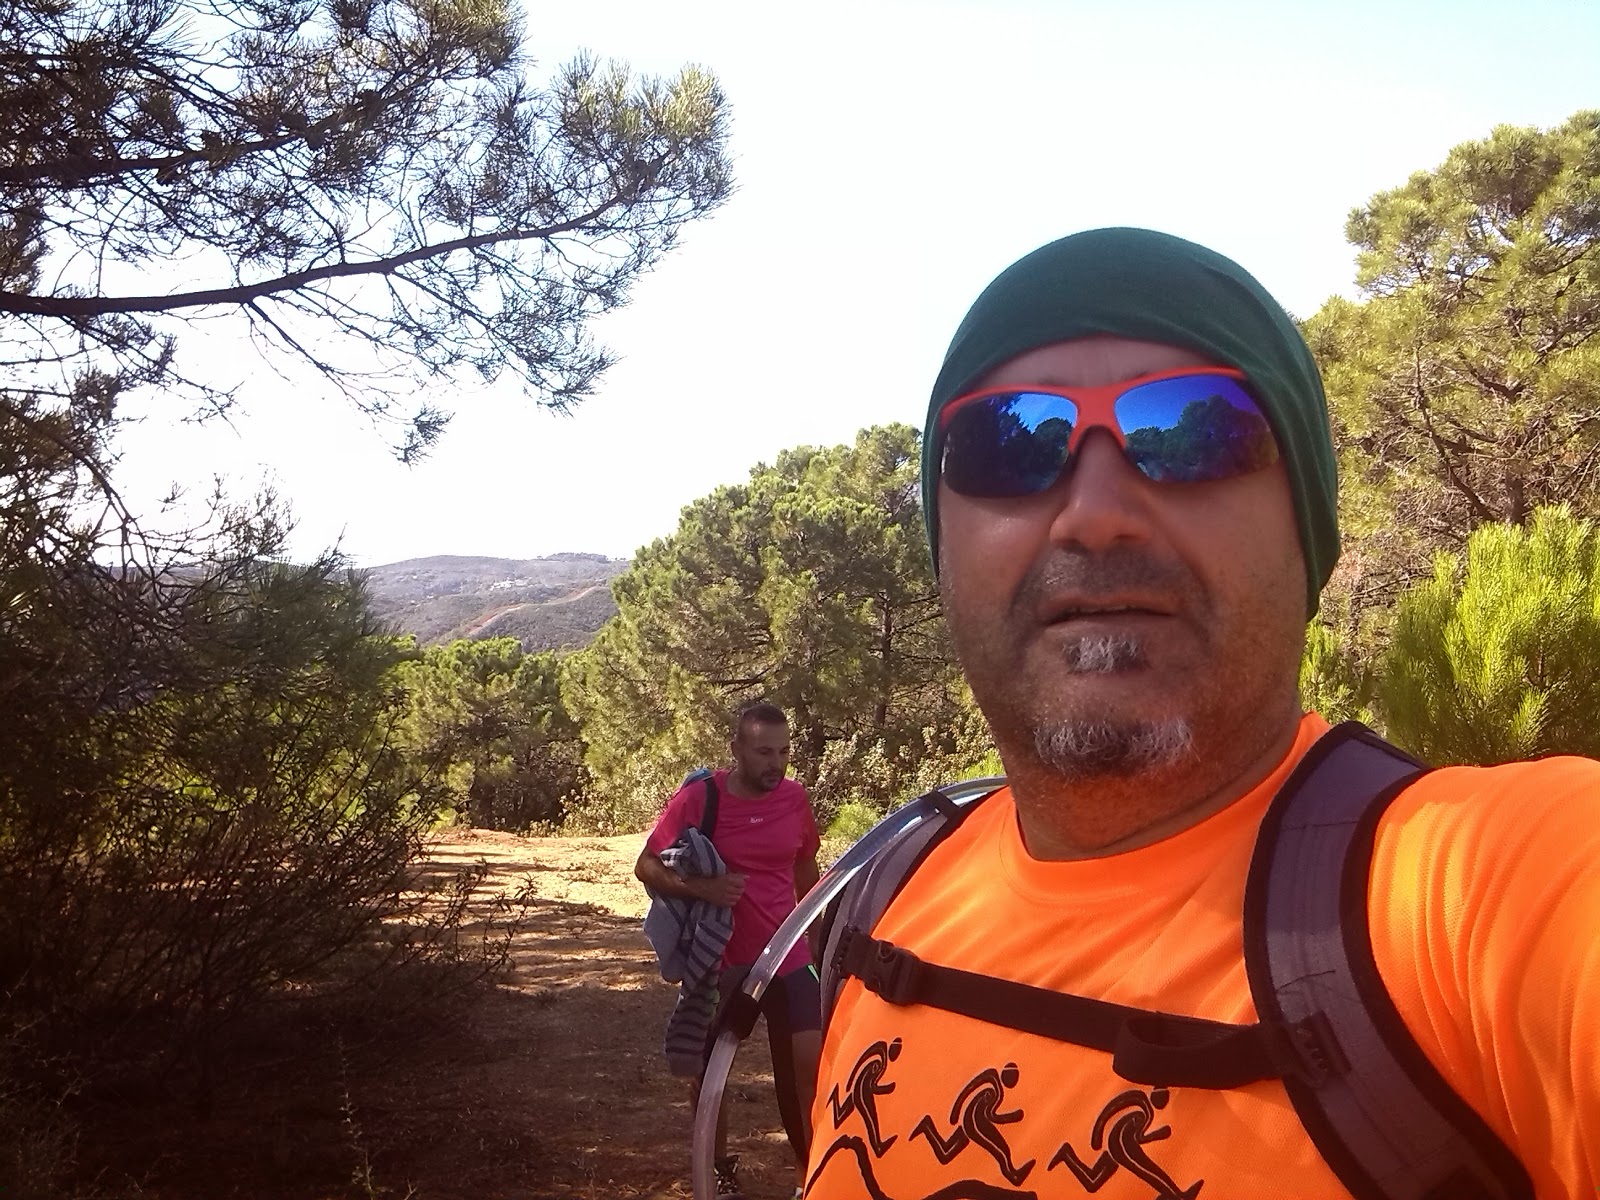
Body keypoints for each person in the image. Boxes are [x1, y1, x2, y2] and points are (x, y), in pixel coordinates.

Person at [803, 228, 1600, 1199]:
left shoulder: (1481, 892)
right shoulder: (888, 897)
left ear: (1308, 533)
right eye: (1006, 443)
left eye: (1195, 429)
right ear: (944, 548)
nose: (1095, 515)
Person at [637, 701, 823, 1200]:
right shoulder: (701, 798)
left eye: (783, 752)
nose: (776, 763)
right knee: (710, 1075)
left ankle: (811, 1175)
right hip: (721, 957)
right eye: (764, 752)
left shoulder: (794, 798)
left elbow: (805, 866)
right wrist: (701, 888)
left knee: (810, 1064)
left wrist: (817, 932)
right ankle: (717, 1171)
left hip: (788, 952)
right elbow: (646, 864)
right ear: (736, 749)